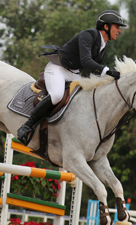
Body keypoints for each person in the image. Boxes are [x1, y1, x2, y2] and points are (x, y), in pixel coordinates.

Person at [17, 10, 127, 145]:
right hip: (58, 68)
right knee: (57, 95)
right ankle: (27, 126)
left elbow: (97, 68)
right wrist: (108, 71)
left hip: (74, 74)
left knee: (81, 100)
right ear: (106, 26)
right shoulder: (88, 35)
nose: (119, 31)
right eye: (117, 27)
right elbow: (86, 60)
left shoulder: (103, 45)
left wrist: (113, 79)